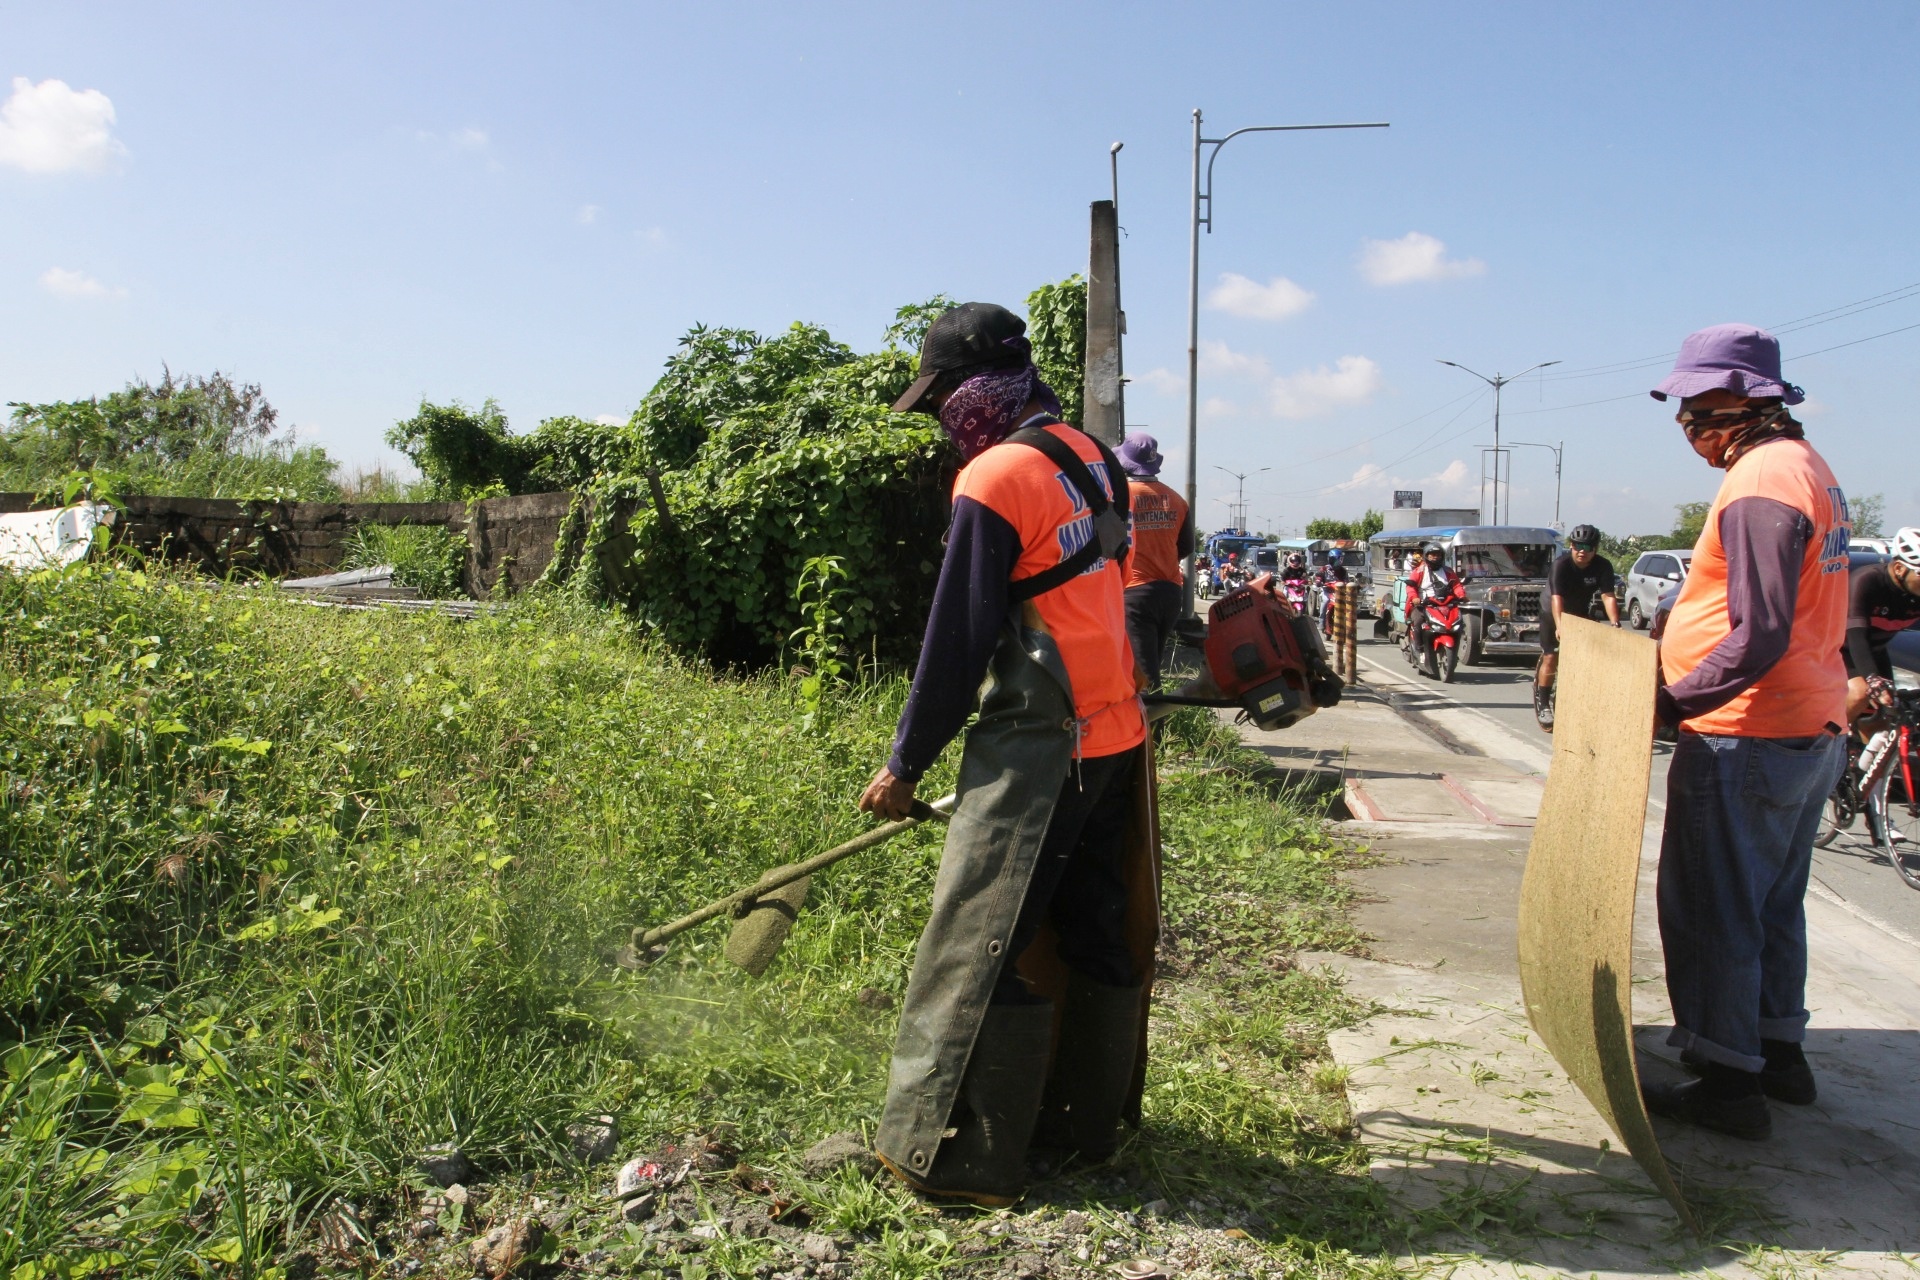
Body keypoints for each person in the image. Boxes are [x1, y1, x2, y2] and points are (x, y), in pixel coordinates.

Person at [859, 302, 1155, 1205]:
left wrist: (905, 762)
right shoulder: (1091, 456)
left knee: (977, 942)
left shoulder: (993, 478)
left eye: (944, 393)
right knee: (1095, 930)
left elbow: (957, 643)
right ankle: (1084, 1133)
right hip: (1117, 735)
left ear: (978, 387)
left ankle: (963, 1162)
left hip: (1044, 742)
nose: (944, 413)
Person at [1643, 324, 1850, 1141]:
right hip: (1805, 723)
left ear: (1743, 402)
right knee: (1770, 904)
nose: (1690, 426)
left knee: (1712, 906)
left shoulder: (1762, 482)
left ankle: (1729, 1083)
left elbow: (1757, 631)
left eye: (1698, 409)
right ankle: (1779, 1054)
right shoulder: (1808, 468)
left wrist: (1672, 703)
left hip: (1745, 733)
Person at [1115, 432, 1193, 690]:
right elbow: (1186, 547)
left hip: (1135, 593)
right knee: (1152, 665)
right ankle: (1154, 726)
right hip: (1170, 592)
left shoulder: (1120, 496)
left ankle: (1152, 728)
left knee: (1143, 677)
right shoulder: (1177, 500)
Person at [1533, 524, 1621, 726]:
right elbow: (1557, 598)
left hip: (1579, 609)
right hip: (1552, 609)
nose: (1582, 551)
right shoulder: (1561, 565)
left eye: (1588, 547)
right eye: (1577, 545)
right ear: (1571, 545)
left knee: (1589, 654)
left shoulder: (1603, 566)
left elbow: (1608, 596)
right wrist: (1560, 625)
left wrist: (1616, 624)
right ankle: (1544, 703)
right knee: (1551, 656)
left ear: (1595, 549)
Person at [1315, 548, 1352, 637]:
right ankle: (1322, 623)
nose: (1339, 561)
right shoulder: (1324, 569)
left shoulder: (1343, 570)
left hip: (1339, 593)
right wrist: (1319, 582)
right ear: (1331, 559)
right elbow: (1318, 577)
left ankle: (1348, 627)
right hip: (1327, 591)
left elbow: (1346, 580)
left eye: (1340, 559)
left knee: (1349, 605)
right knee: (1325, 601)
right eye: (1337, 559)